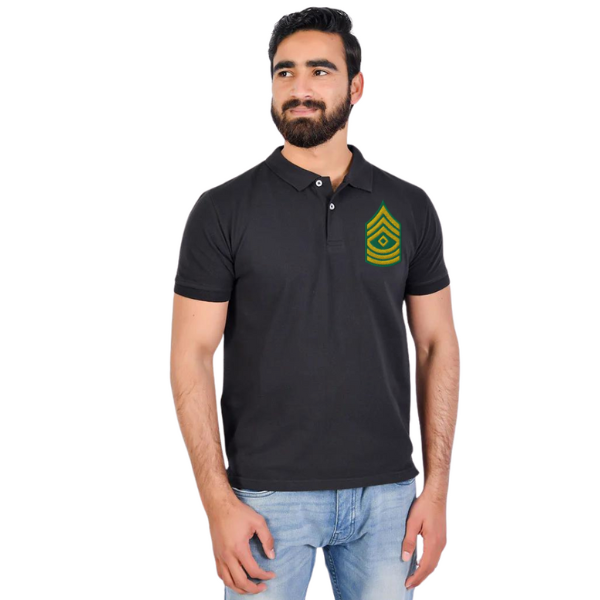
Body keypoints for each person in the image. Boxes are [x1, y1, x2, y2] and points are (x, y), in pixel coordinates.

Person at [170, 7, 459, 599]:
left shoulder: (408, 207)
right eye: (285, 72)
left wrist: (436, 491)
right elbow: (190, 355)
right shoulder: (222, 211)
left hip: (387, 500)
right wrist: (217, 503)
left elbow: (436, 344)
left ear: (356, 86)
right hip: (265, 502)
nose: (299, 88)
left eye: (320, 71)